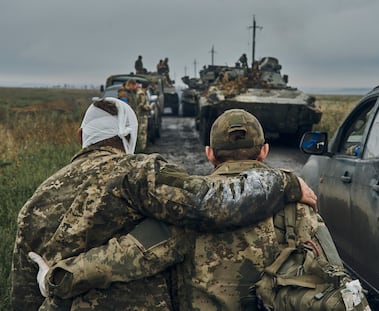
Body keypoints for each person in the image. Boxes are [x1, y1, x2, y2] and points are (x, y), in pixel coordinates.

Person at [13, 102, 316, 310]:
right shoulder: (303, 208)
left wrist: (59, 277)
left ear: (210, 153)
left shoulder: (31, 206)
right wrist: (285, 183)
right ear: (264, 150)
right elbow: (331, 280)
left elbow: (128, 255)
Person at [135, 83, 151, 151]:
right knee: (142, 131)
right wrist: (149, 108)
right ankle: (141, 148)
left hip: (138, 114)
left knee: (140, 131)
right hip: (142, 115)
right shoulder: (142, 94)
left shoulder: (138, 92)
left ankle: (140, 147)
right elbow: (141, 105)